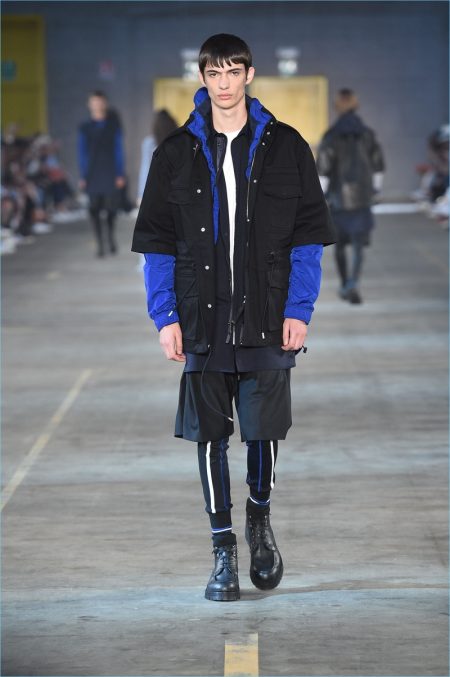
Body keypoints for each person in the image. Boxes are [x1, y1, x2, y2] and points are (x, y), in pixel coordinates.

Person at [132, 34, 335, 602]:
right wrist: (164, 316)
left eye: (232, 71)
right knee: (209, 436)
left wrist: (299, 309)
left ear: (249, 74)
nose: (223, 83)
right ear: (202, 78)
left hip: (266, 311)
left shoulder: (286, 146)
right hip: (201, 314)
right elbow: (157, 243)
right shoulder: (175, 153)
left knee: (263, 431)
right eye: (214, 73)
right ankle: (223, 549)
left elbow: (308, 238)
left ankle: (258, 516)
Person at [316, 88, 385, 304]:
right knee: (358, 245)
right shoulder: (367, 134)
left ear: (337, 106)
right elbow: (378, 164)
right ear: (355, 105)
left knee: (339, 245)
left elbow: (323, 168)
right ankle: (352, 283)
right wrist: (375, 190)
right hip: (363, 198)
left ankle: (344, 283)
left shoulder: (331, 135)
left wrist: (319, 196)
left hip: (338, 199)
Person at [78, 91, 126, 257]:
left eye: (100, 102)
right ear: (89, 104)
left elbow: (118, 150)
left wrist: (120, 173)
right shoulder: (84, 127)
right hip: (92, 172)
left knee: (111, 208)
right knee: (94, 209)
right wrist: (83, 175)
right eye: (94, 102)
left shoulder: (113, 126)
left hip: (110, 171)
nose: (97, 105)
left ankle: (110, 237)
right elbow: (82, 152)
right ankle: (100, 244)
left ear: (105, 104)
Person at [137, 110, 178, 206]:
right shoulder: (179, 141)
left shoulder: (149, 143)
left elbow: (145, 169)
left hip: (156, 190)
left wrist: (141, 194)